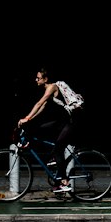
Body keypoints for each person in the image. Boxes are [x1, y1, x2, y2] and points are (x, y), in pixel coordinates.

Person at [17, 66, 75, 195]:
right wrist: (30, 119)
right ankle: (53, 159)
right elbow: (42, 107)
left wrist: (26, 117)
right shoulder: (48, 90)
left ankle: (64, 182)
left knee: (58, 149)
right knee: (38, 129)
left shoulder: (51, 87)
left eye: (38, 78)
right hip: (61, 123)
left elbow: (39, 103)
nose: (36, 80)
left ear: (45, 79)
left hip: (68, 123)